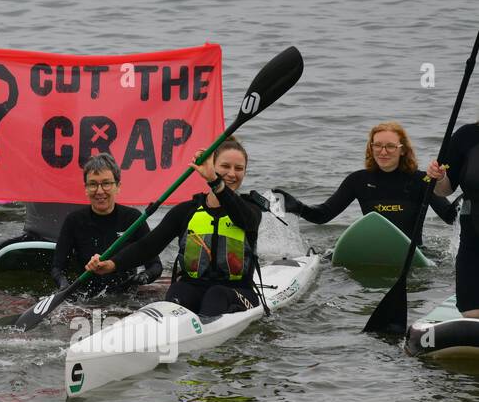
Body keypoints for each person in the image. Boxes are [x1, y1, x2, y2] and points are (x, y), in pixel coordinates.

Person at [86, 140, 263, 317]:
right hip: (193, 287)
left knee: (216, 295)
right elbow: (148, 246)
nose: (232, 173)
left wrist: (215, 182)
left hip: (237, 292)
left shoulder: (251, 209)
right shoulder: (186, 211)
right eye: (225, 166)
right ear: (211, 166)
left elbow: (245, 219)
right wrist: (111, 264)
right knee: (178, 292)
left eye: (239, 168)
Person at [273, 121, 456, 242]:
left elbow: (450, 217)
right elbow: (323, 215)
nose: (383, 152)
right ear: (371, 147)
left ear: (402, 150)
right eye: (377, 145)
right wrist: (297, 206)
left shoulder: (422, 180)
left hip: (412, 254)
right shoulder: (358, 180)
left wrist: (470, 195)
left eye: (391, 146)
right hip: (372, 252)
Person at [52, 154, 163, 297]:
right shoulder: (74, 221)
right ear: (86, 188)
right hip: (85, 298)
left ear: (118, 187)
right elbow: (57, 268)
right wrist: (64, 287)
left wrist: (142, 278)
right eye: (93, 184)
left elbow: (156, 266)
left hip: (125, 297)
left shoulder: (134, 219)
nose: (99, 191)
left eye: (106, 183)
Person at [427, 116, 479, 318]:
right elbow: (444, 190)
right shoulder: (465, 136)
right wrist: (438, 178)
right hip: (473, 239)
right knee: (472, 312)